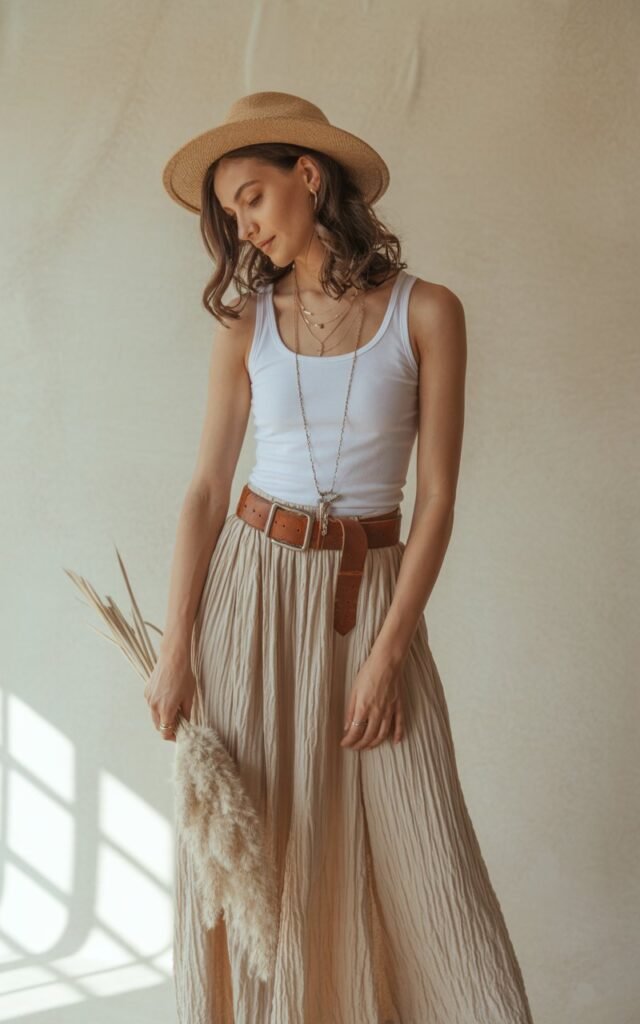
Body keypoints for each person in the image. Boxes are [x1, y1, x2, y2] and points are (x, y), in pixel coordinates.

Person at [148, 91, 535, 1024]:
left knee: (422, 845)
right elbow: (205, 491)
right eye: (229, 214)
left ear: (308, 177)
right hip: (252, 593)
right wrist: (176, 646)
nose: (243, 226)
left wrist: (390, 652)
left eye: (252, 197)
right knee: (262, 860)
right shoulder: (244, 327)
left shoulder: (428, 313)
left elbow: (436, 499)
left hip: (374, 598)